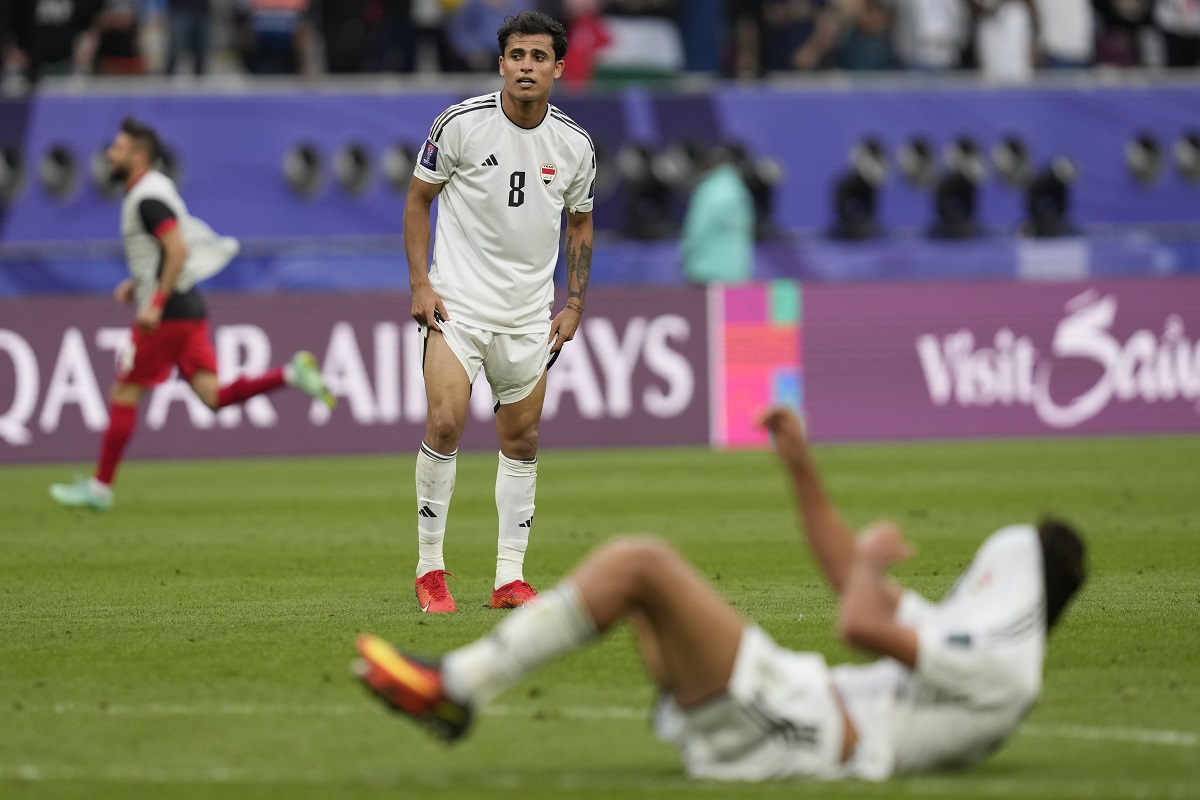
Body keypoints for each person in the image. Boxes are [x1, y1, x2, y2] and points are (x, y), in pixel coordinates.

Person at [354, 406, 1086, 781]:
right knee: (636, 585)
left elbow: (860, 621)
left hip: (806, 729)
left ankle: (458, 687)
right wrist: (801, 468)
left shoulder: (1005, 669)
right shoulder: (980, 641)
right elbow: (847, 578)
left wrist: (870, 564)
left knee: (641, 565)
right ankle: (459, 686)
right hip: (798, 707)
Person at [403, 11, 596, 613]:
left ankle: (509, 578)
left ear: (558, 67)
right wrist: (420, 284)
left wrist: (573, 303)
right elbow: (418, 201)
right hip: (458, 306)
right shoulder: (460, 125)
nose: (526, 67)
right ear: (501, 63)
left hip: (528, 316)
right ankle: (430, 569)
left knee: (523, 438)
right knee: (444, 422)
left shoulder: (575, 144)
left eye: (539, 57)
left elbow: (581, 222)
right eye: (517, 56)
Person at [49, 118, 335, 512]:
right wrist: (139, 283)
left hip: (167, 314)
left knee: (124, 392)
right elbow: (170, 247)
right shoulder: (157, 188)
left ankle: (100, 488)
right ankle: (289, 374)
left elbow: (177, 248)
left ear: (139, 156)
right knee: (212, 396)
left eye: (117, 148)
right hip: (188, 309)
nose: (110, 155)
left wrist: (154, 300)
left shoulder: (146, 199)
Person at [680, 144, 755, 284]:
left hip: (706, 272)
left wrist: (686, 257)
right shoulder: (740, 190)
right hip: (736, 273)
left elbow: (697, 228)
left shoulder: (708, 190)